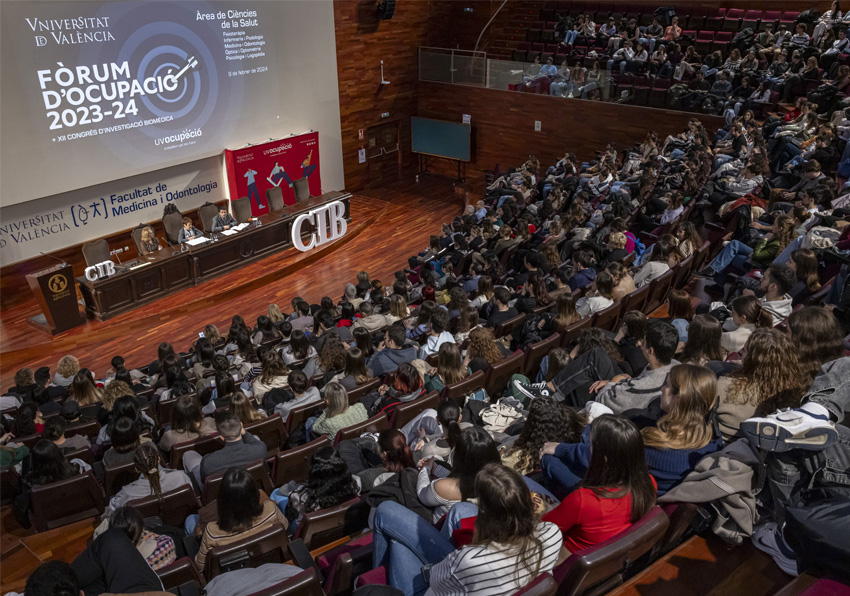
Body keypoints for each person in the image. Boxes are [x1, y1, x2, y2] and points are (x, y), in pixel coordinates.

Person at [372, 464, 563, 596]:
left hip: (437, 584)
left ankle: (373, 585)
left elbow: (433, 583)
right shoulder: (553, 533)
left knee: (392, 529)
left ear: (486, 515)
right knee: (459, 510)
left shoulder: (470, 560)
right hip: (486, 576)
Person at [542, 415, 656, 552]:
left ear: (604, 459)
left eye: (590, 447)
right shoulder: (649, 482)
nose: (587, 450)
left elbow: (543, 527)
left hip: (565, 554)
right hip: (606, 556)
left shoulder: (583, 501)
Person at [716, 329, 806, 443]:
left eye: (744, 351)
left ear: (752, 359)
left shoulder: (725, 386)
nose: (739, 352)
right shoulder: (795, 393)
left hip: (726, 450)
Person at [195, 468, 287, 569]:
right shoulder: (271, 510)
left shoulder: (212, 532)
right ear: (255, 494)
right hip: (272, 565)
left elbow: (201, 566)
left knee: (191, 520)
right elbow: (286, 527)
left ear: (221, 501)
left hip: (234, 576)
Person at [417, 426, 501, 523]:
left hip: (438, 531)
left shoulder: (445, 487)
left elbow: (422, 493)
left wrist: (425, 468)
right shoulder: (498, 483)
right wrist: (435, 468)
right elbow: (463, 478)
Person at [501, 396, 585, 475]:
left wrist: (502, 451)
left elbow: (503, 463)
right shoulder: (575, 444)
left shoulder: (518, 458)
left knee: (513, 429)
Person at [184, 410, 267, 485]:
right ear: (241, 426)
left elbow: (203, 481)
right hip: (250, 485)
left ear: (221, 437)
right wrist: (244, 432)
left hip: (223, 494)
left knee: (188, 454)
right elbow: (256, 443)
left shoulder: (207, 462)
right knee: (255, 438)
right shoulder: (260, 449)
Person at [109, 443, 192, 512]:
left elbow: (113, 508)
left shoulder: (127, 493)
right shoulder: (180, 476)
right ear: (159, 459)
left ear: (136, 469)